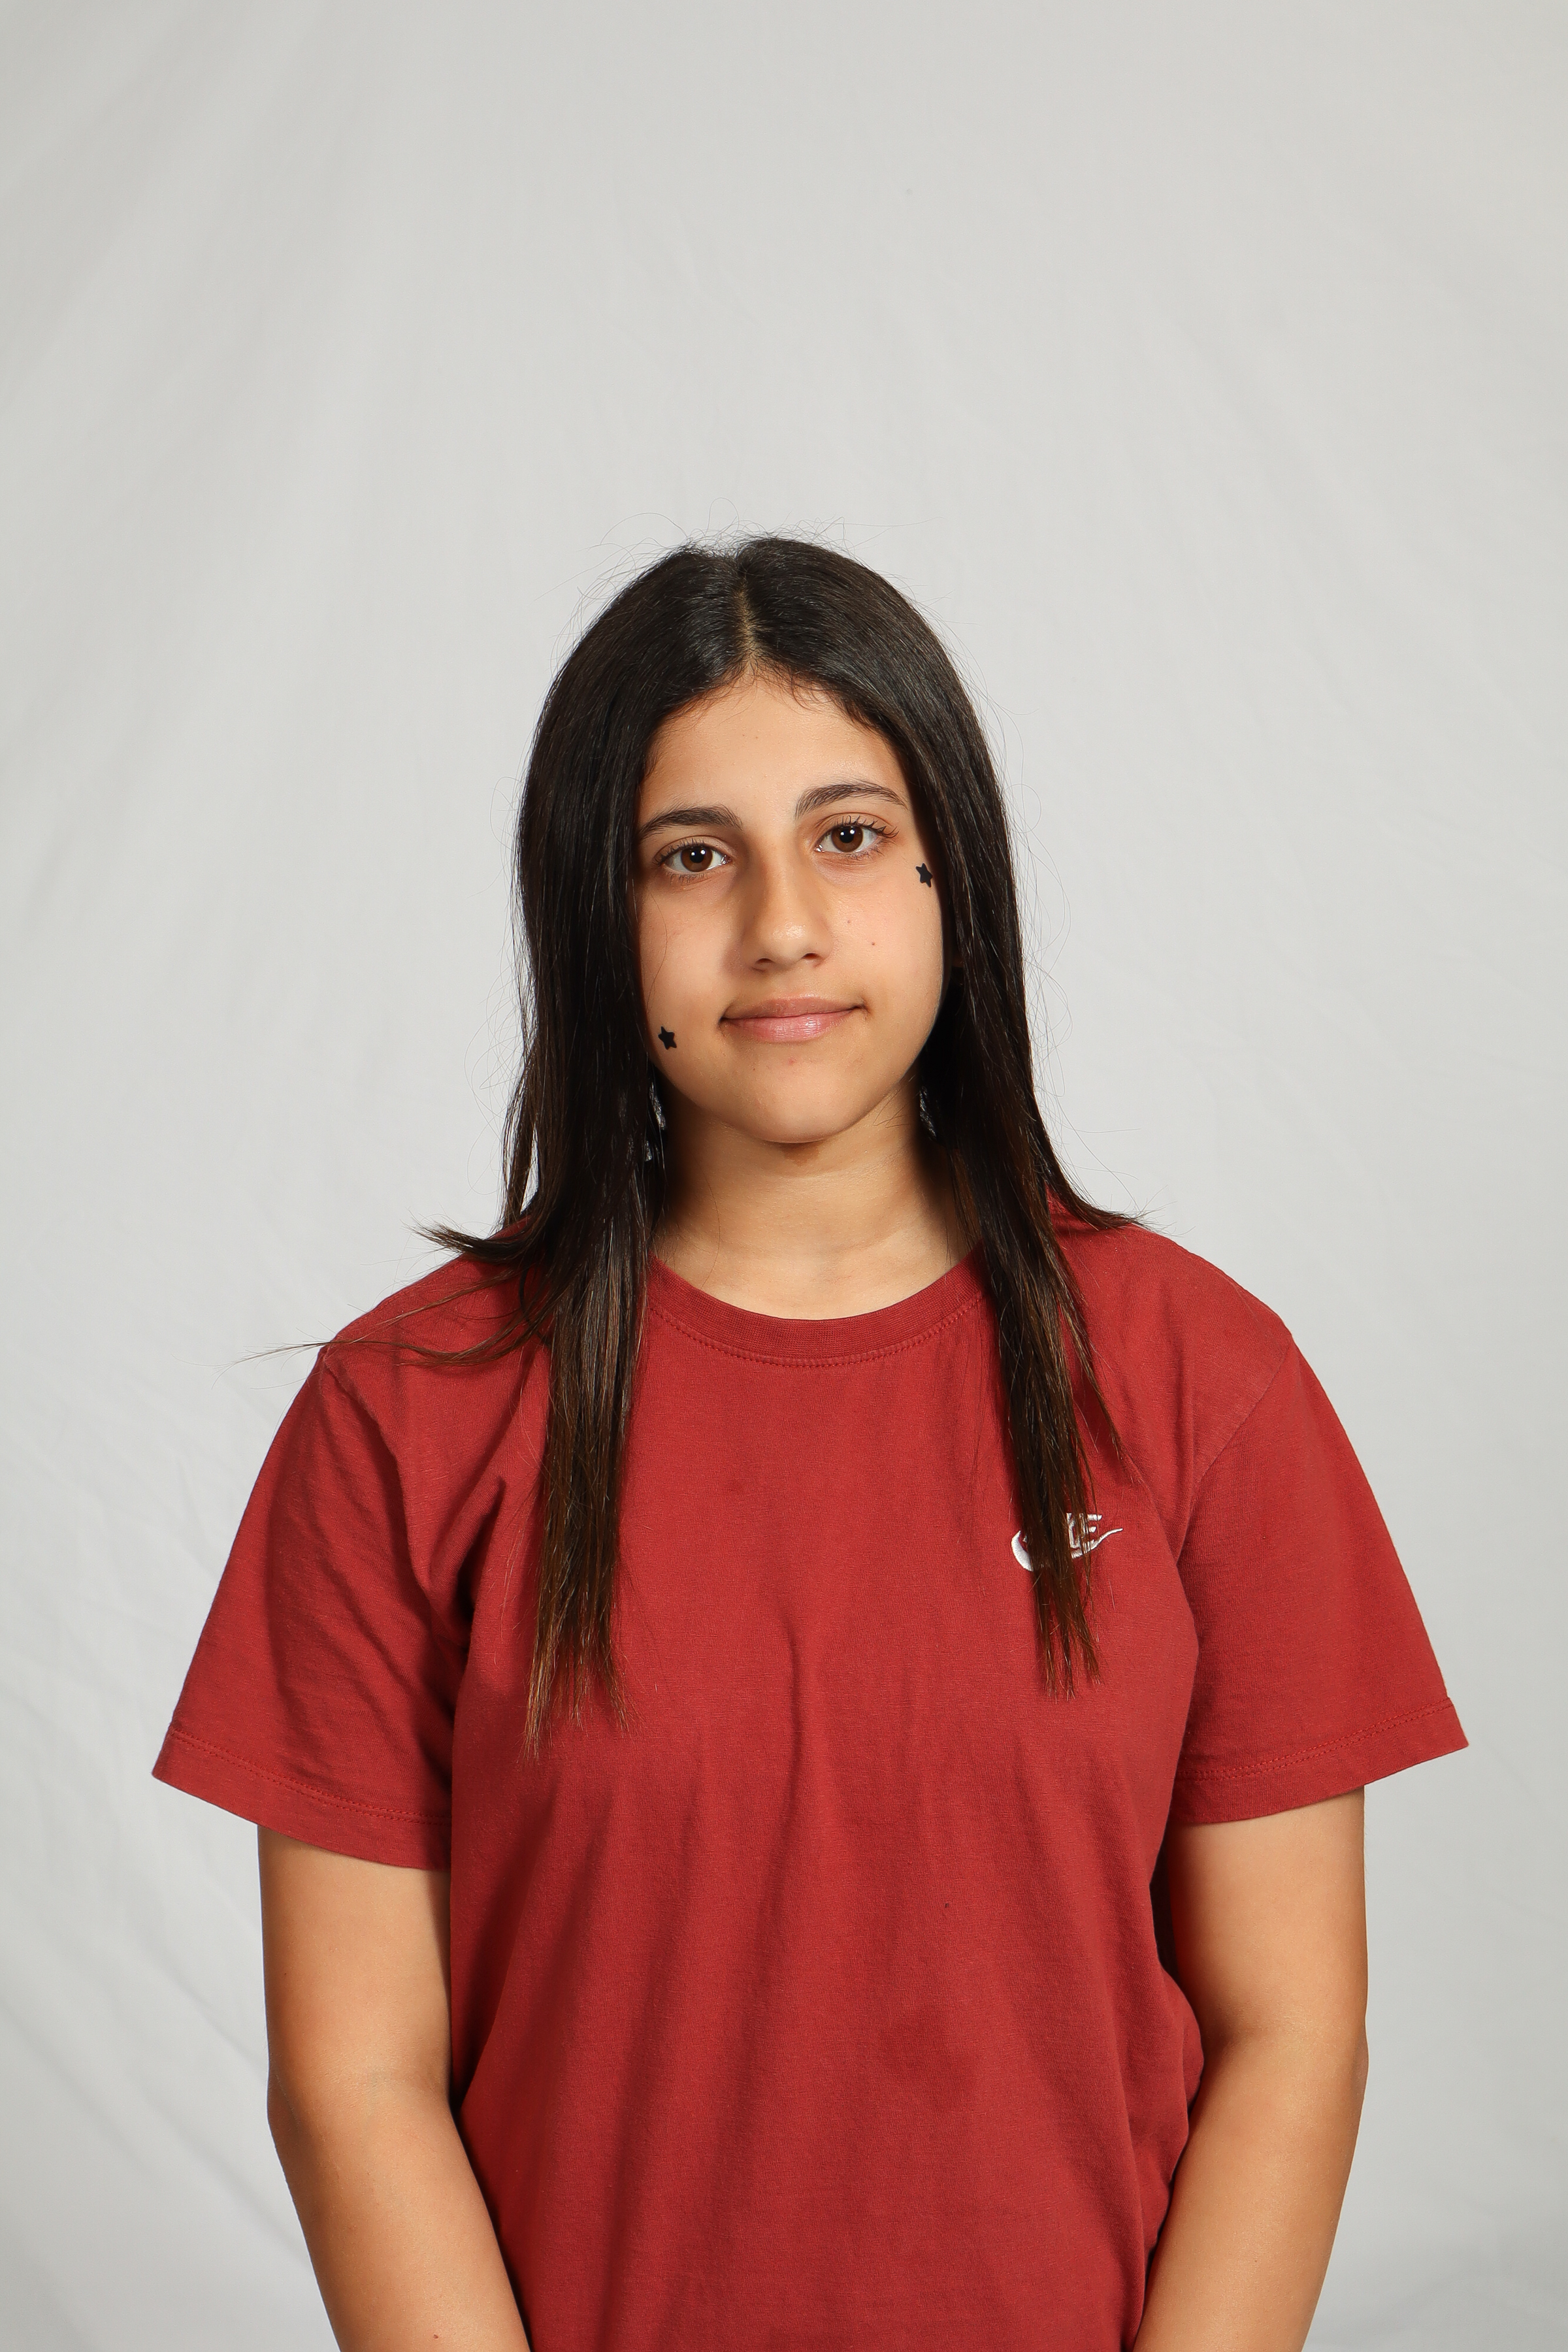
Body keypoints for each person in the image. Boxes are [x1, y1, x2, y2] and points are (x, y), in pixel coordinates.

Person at [154, 537, 1465, 2352]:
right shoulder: (407, 1413)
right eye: (691, 856)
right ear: (593, 914)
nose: (781, 922)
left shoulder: (1202, 1381)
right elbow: (353, 2082)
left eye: (849, 835)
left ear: (952, 880)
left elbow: (1294, 2032)